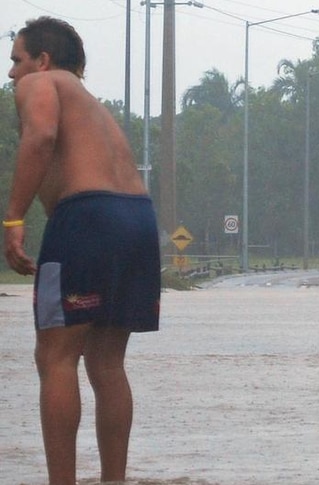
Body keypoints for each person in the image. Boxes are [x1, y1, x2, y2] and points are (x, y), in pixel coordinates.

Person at [4, 17, 161, 485]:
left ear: (43, 60)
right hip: (137, 217)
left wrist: (13, 218)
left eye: (16, 59)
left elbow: (41, 137)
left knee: (54, 357)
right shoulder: (95, 107)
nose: (12, 72)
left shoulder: (40, 84)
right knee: (107, 362)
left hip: (85, 218)